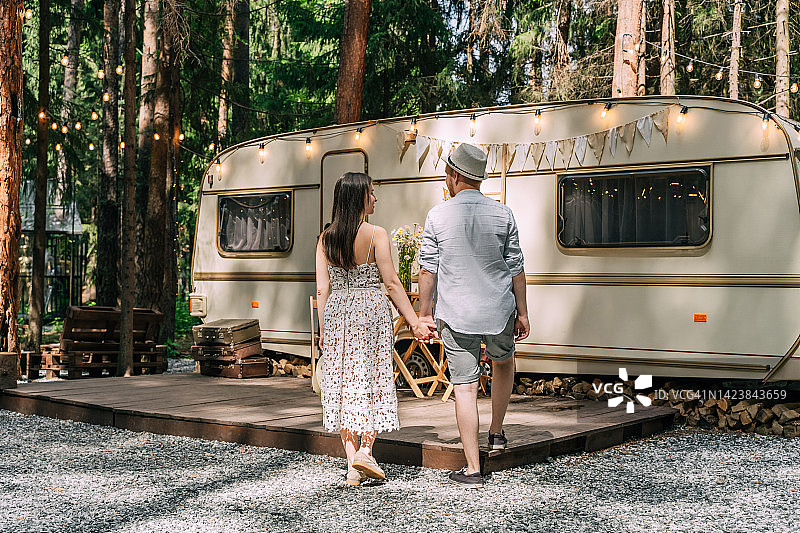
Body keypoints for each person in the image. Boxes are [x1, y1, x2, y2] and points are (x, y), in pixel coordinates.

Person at [417, 143, 530, 488]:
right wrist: (523, 312)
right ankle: (496, 432)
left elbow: (427, 270)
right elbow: (517, 269)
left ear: (453, 176)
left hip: (456, 312)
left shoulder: (438, 215)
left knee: (465, 389)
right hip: (498, 310)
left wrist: (424, 313)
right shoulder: (503, 213)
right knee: (503, 364)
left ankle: (473, 468)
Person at [316, 171, 432, 486]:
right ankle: (366, 451)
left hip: (339, 313)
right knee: (371, 377)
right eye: (371, 192)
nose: (375, 197)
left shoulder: (326, 239)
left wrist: (324, 329)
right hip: (370, 312)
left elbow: (323, 290)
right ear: (359, 198)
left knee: (342, 381)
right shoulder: (376, 234)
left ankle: (353, 464)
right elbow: (392, 284)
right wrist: (415, 321)